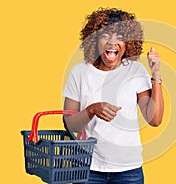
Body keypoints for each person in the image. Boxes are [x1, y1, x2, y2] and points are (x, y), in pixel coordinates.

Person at [62, 7, 164, 184]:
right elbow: (69, 125)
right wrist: (92, 109)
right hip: (87, 168)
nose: (112, 42)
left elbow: (154, 119)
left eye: (120, 37)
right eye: (105, 35)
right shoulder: (79, 72)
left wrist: (155, 73)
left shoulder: (135, 70)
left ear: (128, 43)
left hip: (129, 171)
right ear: (94, 40)